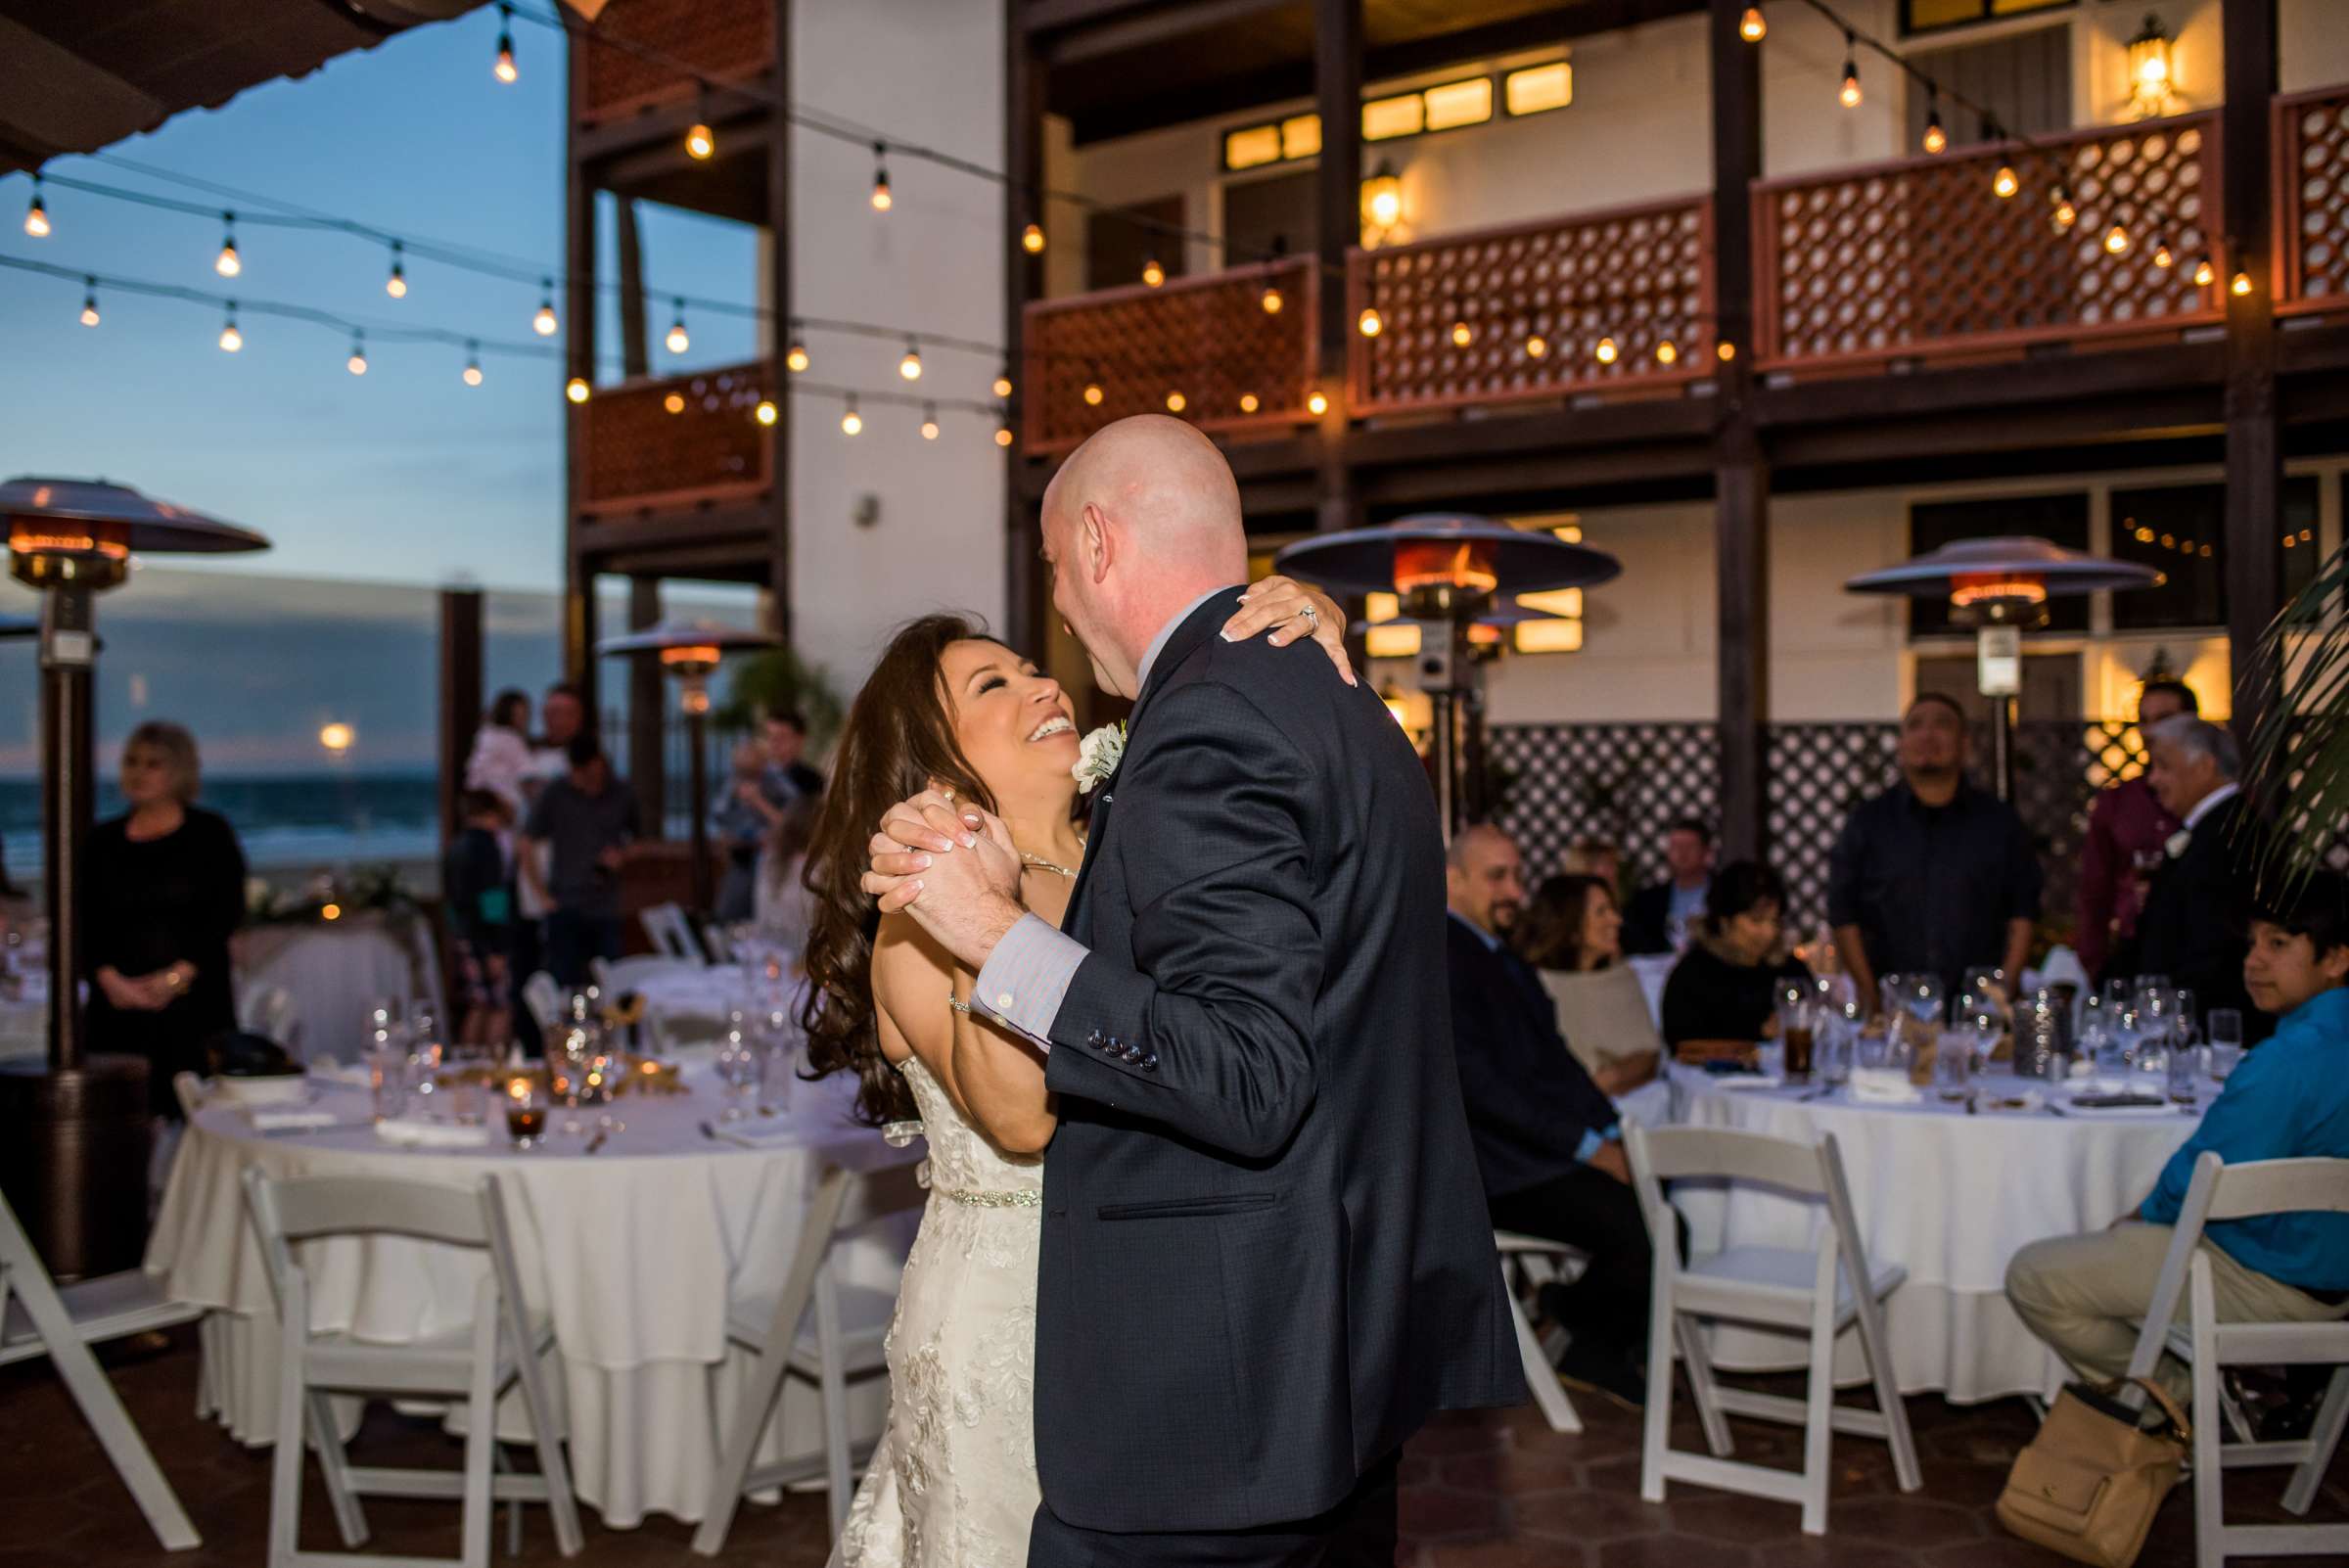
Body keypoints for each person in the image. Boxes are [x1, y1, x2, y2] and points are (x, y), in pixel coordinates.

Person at [858, 415, 1520, 1567]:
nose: (1057, 617)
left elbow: (1248, 1071)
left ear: (1100, 543)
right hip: (1318, 1350)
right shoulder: (1341, 702)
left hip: (1210, 1383)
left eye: (1057, 572)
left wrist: (994, 931)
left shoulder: (1209, 722)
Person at [804, 570, 1360, 1566]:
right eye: (992, 688)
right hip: (1010, 1326)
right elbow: (1021, 1120)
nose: (1044, 689)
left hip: (1169, 1316)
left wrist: (1311, 654)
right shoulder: (920, 925)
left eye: (1032, 670)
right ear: (935, 763)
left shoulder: (1134, 851)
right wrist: (983, 914)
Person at [2004, 874, 2349, 1407]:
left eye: (2277, 944)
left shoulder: (2286, 1062)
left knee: (2034, 1276)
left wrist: (2137, 1217)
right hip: (2330, 1277)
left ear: (2336, 959)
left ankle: (2172, 1399)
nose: (2253, 961)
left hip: (2277, 1282)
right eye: (2253, 943)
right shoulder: (2303, 1049)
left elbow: (2199, 1182)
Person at [1448, 826, 1664, 1407]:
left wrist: (1610, 1128)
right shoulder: (1440, 956)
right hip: (1495, 1168)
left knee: (1664, 1209)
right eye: (1497, 876)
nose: (1514, 890)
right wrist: (1590, 1148)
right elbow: (1481, 1088)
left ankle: (1577, 1322)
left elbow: (1558, 1062)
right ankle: (1591, 1345)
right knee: (1642, 1228)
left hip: (1539, 1153)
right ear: (1453, 880)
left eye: (1519, 875)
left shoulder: (1501, 956)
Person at [1829, 693, 2042, 1010]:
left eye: (1942, 724)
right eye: (1915, 725)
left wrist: (2003, 992)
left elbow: (2023, 911)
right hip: (1892, 1012)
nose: (1927, 735)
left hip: (1976, 1011)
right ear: (1901, 744)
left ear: (1965, 743)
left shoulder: (1999, 823)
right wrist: (1869, 996)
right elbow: (1843, 914)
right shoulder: (1868, 823)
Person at [82, 720, 247, 1118]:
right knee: (117, 1118)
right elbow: (82, 918)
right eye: (131, 762)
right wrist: (107, 977)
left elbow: (225, 911)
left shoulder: (208, 833)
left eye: (152, 764)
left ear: (179, 771)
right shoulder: (102, 840)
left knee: (195, 1114)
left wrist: (177, 976)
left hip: (193, 1002)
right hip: (116, 1005)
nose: (137, 773)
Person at [2112, 715, 2263, 1035]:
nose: (2152, 780)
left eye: (2163, 767)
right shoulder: (2215, 828)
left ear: (2204, 767)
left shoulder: (2227, 837)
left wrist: (2174, 1023)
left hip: (2210, 1028)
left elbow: (2211, 947)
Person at [2075, 679, 2195, 981]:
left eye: (2164, 720)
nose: (2152, 730)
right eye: (2144, 720)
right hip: (2132, 948)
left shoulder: (2210, 795)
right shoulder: (2118, 801)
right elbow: (2095, 886)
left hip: (2198, 947)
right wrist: (2094, 962)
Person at [1516, 872, 1664, 1093]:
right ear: (1571, 924)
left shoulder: (1621, 978)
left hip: (1636, 1102)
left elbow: (1649, 1053)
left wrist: (1611, 1078)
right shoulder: (1535, 985)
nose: (1616, 920)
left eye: (1612, 909)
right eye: (1601, 912)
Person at [1661, 860, 1814, 1059]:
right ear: (1725, 920)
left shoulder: (1789, 969)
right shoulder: (1695, 974)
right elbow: (1682, 1043)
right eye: (1756, 921)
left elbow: (1816, 1014)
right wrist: (1757, 1035)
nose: (1768, 932)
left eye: (1774, 921)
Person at [521, 735, 639, 988]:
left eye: (586, 772)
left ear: (598, 764)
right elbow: (526, 843)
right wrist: (541, 895)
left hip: (606, 903)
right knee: (564, 983)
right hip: (564, 902)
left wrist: (622, 856)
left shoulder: (622, 793)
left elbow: (638, 840)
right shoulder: (556, 793)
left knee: (611, 981)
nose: (582, 779)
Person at [442, 789, 514, 1046]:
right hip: (485, 937)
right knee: (499, 1006)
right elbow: (493, 901)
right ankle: (494, 1070)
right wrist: (496, 948)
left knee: (478, 1004)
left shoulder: (456, 846)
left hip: (464, 934)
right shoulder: (486, 846)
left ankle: (469, 1066)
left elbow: (451, 901)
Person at [1623, 816, 1713, 955]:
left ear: (1706, 853)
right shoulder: (1648, 901)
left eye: (1690, 846)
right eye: (1676, 846)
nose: (1682, 853)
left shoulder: (1725, 895)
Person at [712, 739, 773, 923]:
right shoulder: (732, 786)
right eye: (739, 768)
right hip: (740, 863)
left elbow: (792, 823)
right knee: (728, 918)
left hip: (769, 865)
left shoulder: (776, 785)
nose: (743, 774)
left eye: (749, 768)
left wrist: (758, 801)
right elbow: (719, 816)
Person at [753, 794, 820, 952]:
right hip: (807, 955)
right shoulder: (822, 868)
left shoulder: (770, 860)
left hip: (770, 951)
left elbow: (761, 918)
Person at [462, 688, 535, 819]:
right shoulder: (511, 738)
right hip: (503, 804)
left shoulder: (485, 736)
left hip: (481, 803)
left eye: (525, 716)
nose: (523, 721)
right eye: (519, 716)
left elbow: (473, 774)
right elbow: (528, 774)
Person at [762, 710, 826, 804]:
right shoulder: (756, 773)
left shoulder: (812, 780)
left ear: (799, 740)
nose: (773, 743)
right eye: (769, 736)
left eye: (781, 737)